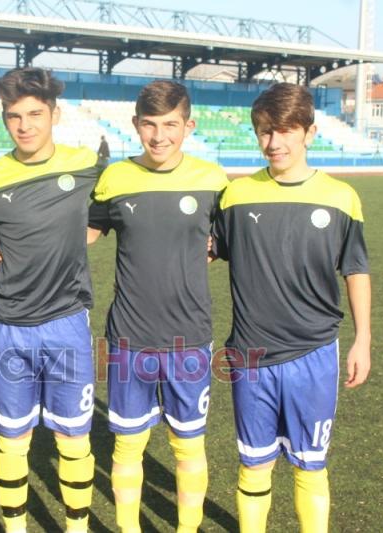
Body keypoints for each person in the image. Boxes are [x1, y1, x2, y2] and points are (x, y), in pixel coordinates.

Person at [210, 83, 371, 532]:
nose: (273, 142)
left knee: (309, 465)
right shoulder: (236, 196)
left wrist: (364, 339)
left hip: (314, 353)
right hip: (249, 354)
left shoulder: (341, 197)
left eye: (284, 130)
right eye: (264, 131)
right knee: (254, 464)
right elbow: (203, 248)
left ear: (309, 133)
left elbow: (355, 270)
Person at [87, 80, 228, 533]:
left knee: (187, 445)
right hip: (129, 338)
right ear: (135, 125)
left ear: (189, 125)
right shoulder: (114, 179)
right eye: (149, 125)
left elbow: (232, 241)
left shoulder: (213, 180)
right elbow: (82, 236)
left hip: (190, 338)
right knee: (127, 445)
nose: (159, 136)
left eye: (170, 125)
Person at [0, 67, 100, 533]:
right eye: (13, 116)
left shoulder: (84, 164)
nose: (24, 125)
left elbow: (111, 208)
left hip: (67, 322)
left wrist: (87, 235)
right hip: (8, 325)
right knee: (12, 438)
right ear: (4, 119)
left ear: (54, 115)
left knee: (74, 438)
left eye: (34, 114)